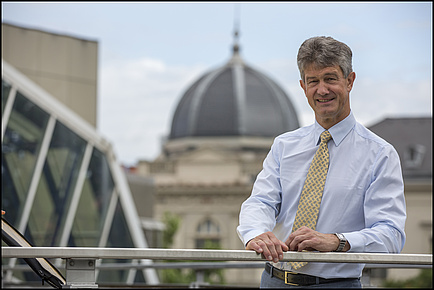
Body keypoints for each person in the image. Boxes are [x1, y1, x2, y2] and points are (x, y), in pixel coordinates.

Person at [237, 36, 406, 288]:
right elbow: (261, 202)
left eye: (330, 78)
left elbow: (391, 234)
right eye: (312, 81)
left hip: (338, 284)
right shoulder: (284, 146)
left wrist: (337, 241)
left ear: (349, 81)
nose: (322, 90)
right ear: (303, 86)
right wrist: (256, 233)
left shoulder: (380, 154)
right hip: (274, 281)